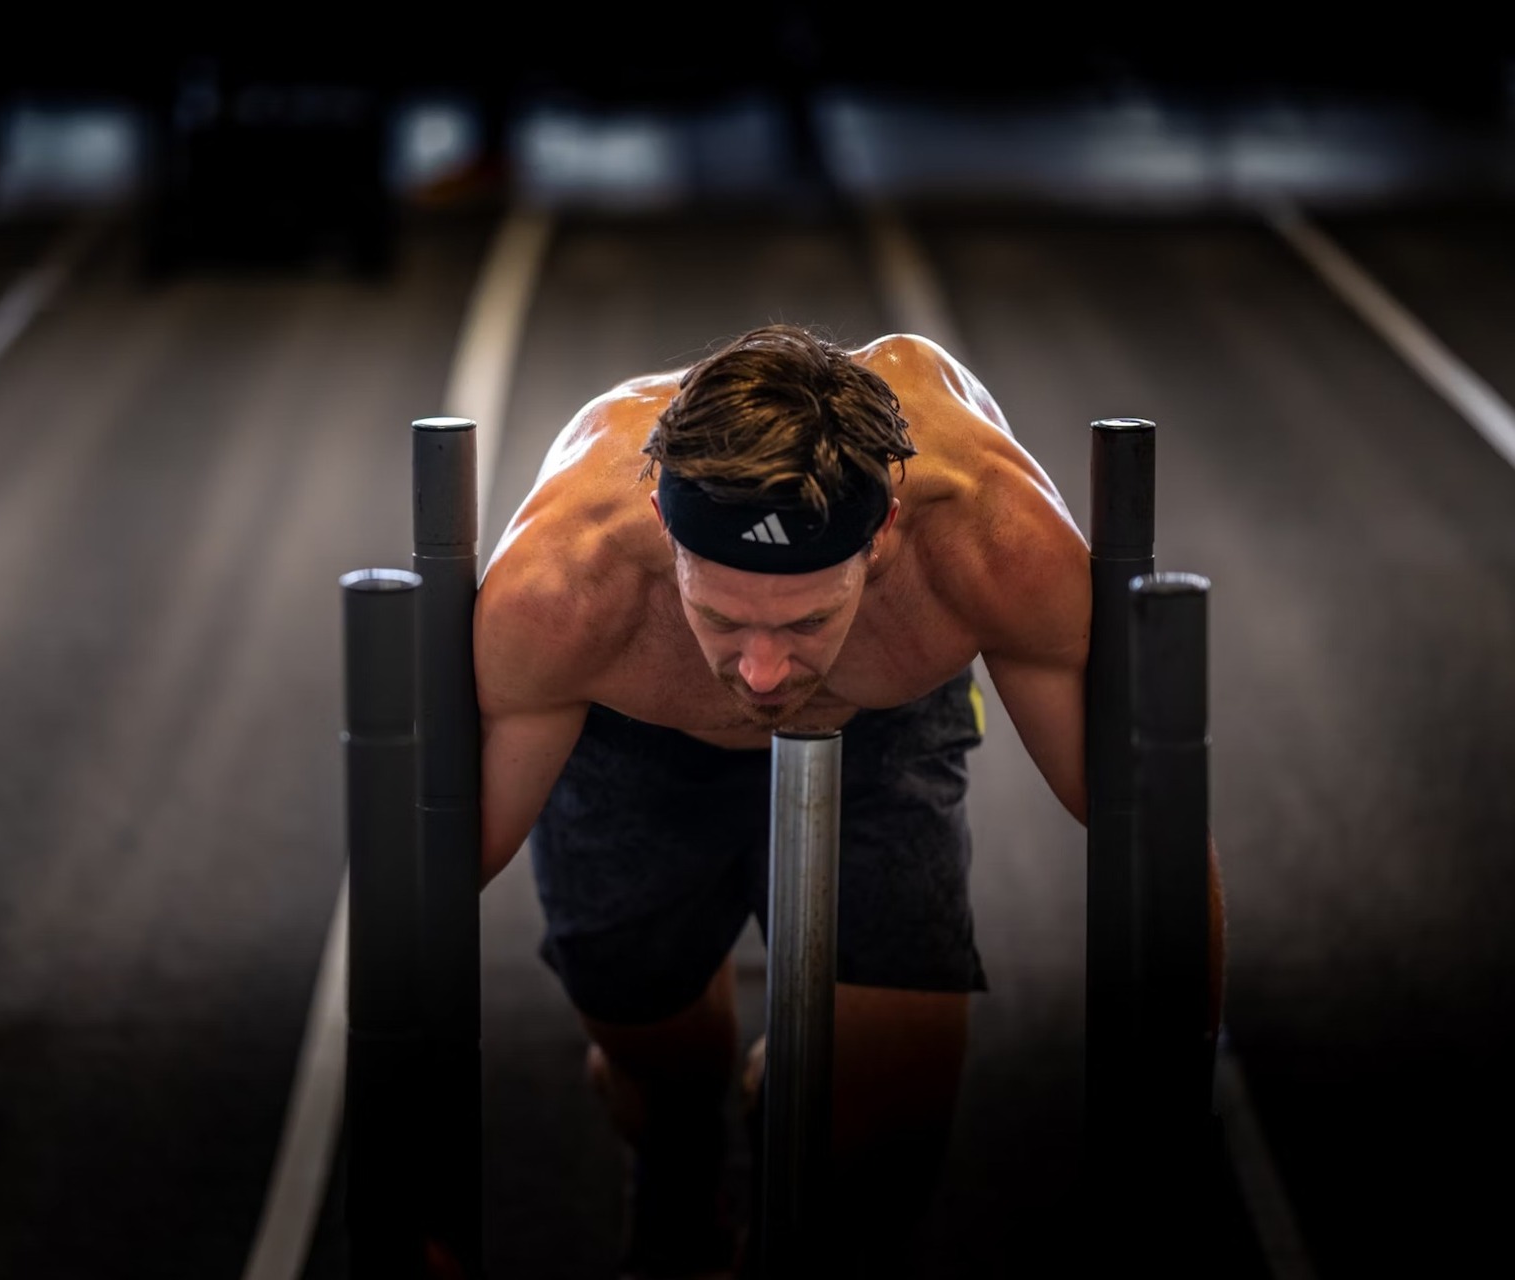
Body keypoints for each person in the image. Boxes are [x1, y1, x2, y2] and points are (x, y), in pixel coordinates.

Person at [471, 323, 1223, 1278]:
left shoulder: (991, 536)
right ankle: (676, 1157)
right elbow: (434, 881)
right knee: (667, 1079)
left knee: (884, 1149)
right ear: (664, 529)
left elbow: (1145, 829)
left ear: (889, 530)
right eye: (721, 618)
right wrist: (408, 1199)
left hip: (883, 727)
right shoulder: (563, 585)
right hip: (631, 749)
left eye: (810, 619)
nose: (763, 670)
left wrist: (1182, 1099)